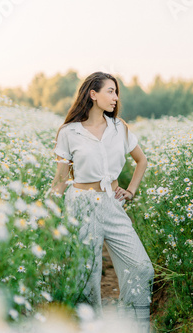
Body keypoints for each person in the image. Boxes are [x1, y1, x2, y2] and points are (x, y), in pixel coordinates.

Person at [47, 72, 154, 332]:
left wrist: (131, 190)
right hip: (80, 206)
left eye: (116, 92)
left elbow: (142, 161)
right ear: (92, 94)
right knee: (87, 278)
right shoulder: (69, 132)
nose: (115, 98)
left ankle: (130, 325)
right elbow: (61, 179)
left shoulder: (120, 128)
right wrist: (47, 214)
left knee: (141, 267)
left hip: (112, 203)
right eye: (110, 91)